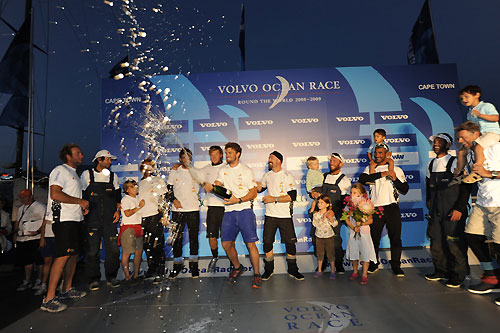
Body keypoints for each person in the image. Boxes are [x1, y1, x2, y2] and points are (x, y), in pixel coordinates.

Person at [41, 143, 88, 313]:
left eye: (81, 153)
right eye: (78, 153)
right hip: (63, 220)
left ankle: (67, 288)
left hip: (75, 219)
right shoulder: (60, 170)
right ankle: (49, 298)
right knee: (62, 256)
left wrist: (82, 206)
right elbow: (55, 194)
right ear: (68, 156)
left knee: (73, 255)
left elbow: (74, 197)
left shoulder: (75, 174)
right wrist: (80, 201)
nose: (82, 156)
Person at [456, 126, 500, 305]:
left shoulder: (496, 146)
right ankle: (491, 274)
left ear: (476, 134)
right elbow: (469, 177)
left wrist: (490, 174)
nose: (459, 141)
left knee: (499, 246)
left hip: (499, 203)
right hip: (483, 203)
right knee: (472, 236)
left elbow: (486, 173)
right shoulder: (472, 152)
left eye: (462, 137)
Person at [425, 133, 471, 288]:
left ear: (448, 144)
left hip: (452, 209)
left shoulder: (454, 162)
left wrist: (459, 208)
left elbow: (465, 186)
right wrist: (429, 203)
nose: (436, 144)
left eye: (439, 141)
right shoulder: (430, 164)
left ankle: (458, 275)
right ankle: (441, 271)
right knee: (436, 240)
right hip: (436, 210)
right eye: (434, 142)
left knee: (454, 242)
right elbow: (428, 186)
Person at [214, 142, 261, 288]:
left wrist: (238, 200)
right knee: (226, 244)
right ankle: (237, 267)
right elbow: (218, 185)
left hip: (244, 210)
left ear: (237, 154)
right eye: (226, 153)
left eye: (229, 153)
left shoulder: (246, 170)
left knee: (250, 244)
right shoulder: (223, 170)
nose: (227, 155)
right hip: (229, 212)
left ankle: (257, 274)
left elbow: (253, 193)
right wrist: (215, 186)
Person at [359, 143, 409, 277]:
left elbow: (405, 189)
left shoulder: (397, 169)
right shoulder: (370, 168)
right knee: (374, 238)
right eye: (376, 152)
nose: (377, 155)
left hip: (392, 207)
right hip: (375, 208)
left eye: (381, 153)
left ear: (387, 153)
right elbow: (363, 179)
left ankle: (396, 266)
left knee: (396, 238)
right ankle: (374, 264)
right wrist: (383, 173)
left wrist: (393, 176)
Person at [257, 151, 303, 281]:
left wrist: (274, 199)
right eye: (269, 157)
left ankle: (293, 270)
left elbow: (292, 197)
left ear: (279, 160)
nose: (269, 160)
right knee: (267, 243)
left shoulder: (287, 175)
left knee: (290, 243)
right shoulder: (267, 175)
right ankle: (268, 270)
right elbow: (260, 188)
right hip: (269, 215)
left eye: (271, 158)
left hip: (284, 216)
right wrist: (254, 184)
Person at [81, 150, 121, 290]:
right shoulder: (87, 175)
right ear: (99, 160)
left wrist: (117, 210)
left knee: (114, 250)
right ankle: (93, 279)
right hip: (92, 220)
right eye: (108, 160)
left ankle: (112, 277)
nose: (110, 162)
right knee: (92, 251)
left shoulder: (113, 177)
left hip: (110, 220)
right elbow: (81, 195)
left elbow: (117, 196)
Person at [167, 148, 201, 279]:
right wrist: (173, 200)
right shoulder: (175, 171)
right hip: (178, 211)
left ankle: (194, 267)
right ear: (180, 159)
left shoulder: (197, 172)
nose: (186, 159)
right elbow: (168, 189)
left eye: (189, 157)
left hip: (193, 210)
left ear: (191, 158)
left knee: (193, 239)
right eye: (184, 157)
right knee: (177, 239)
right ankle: (177, 266)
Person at [455, 86, 500, 183]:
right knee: (461, 152)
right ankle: (460, 173)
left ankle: (477, 170)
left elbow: (496, 118)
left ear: (477, 95)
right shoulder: (469, 113)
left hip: (491, 134)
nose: (464, 100)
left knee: (478, 148)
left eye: (466, 97)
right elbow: (471, 127)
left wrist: (480, 115)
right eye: (462, 98)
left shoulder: (486, 106)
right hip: (480, 136)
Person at [320, 153, 351, 273]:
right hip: (322, 214)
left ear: (341, 164)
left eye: (335, 160)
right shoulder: (324, 176)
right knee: (320, 239)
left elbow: (345, 201)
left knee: (335, 240)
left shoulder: (344, 180)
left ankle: (339, 263)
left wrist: (333, 212)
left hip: (335, 214)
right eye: (331, 160)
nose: (331, 162)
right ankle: (323, 263)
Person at [138, 158, 167, 283]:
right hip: (143, 219)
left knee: (157, 245)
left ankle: (160, 272)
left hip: (155, 216)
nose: (148, 169)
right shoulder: (139, 183)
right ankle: (152, 269)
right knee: (147, 246)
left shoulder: (158, 180)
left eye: (150, 166)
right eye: (145, 166)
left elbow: (164, 199)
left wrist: (165, 215)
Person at [199, 146, 226, 273]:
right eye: (211, 155)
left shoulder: (227, 167)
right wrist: (177, 166)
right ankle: (215, 257)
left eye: (216, 154)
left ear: (221, 155)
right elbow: (192, 173)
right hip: (212, 208)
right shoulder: (206, 169)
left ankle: (233, 261)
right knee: (212, 236)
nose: (214, 157)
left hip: (226, 207)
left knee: (227, 237)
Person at [344, 183, 377, 285]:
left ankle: (364, 275)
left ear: (361, 193)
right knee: (354, 252)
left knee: (365, 252)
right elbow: (346, 218)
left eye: (355, 193)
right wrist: (353, 227)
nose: (352, 195)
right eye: (351, 193)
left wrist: (361, 223)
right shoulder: (349, 204)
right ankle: (355, 271)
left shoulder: (368, 204)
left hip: (365, 232)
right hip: (353, 232)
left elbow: (370, 220)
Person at [13, 189, 46, 291]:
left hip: (35, 238)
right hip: (23, 238)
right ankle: (27, 280)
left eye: (24, 197)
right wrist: (15, 234)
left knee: (39, 260)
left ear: (30, 196)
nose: (22, 199)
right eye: (20, 197)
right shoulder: (21, 208)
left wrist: (39, 233)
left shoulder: (40, 207)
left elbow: (45, 221)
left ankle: (39, 280)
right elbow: (18, 221)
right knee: (27, 261)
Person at [119, 180, 145, 281]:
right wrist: (139, 207)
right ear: (127, 190)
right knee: (127, 253)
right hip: (128, 228)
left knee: (138, 252)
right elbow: (127, 213)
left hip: (138, 227)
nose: (135, 188)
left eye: (135, 186)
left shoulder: (139, 198)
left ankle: (136, 275)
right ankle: (127, 277)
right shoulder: (125, 199)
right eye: (132, 186)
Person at [312, 195, 337, 279]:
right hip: (319, 236)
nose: (319, 204)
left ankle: (333, 271)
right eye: (318, 202)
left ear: (327, 204)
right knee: (320, 254)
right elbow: (315, 224)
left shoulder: (330, 213)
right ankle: (319, 270)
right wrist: (322, 218)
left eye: (322, 202)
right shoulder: (316, 214)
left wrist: (330, 218)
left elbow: (335, 224)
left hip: (329, 236)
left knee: (331, 254)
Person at [36, 214, 56, 296]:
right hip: (48, 237)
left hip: (59, 236)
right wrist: (42, 238)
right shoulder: (48, 208)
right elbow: (44, 224)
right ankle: (43, 284)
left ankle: (62, 284)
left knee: (60, 261)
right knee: (47, 262)